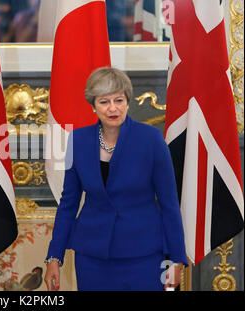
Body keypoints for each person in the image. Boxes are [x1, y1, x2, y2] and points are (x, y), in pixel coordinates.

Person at [44, 67, 187, 291]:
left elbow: (169, 204)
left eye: (118, 100)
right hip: (92, 258)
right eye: (104, 102)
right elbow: (68, 203)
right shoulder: (78, 140)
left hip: (144, 257)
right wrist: (54, 257)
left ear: (128, 101)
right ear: (93, 106)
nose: (113, 108)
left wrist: (176, 259)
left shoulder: (151, 139)